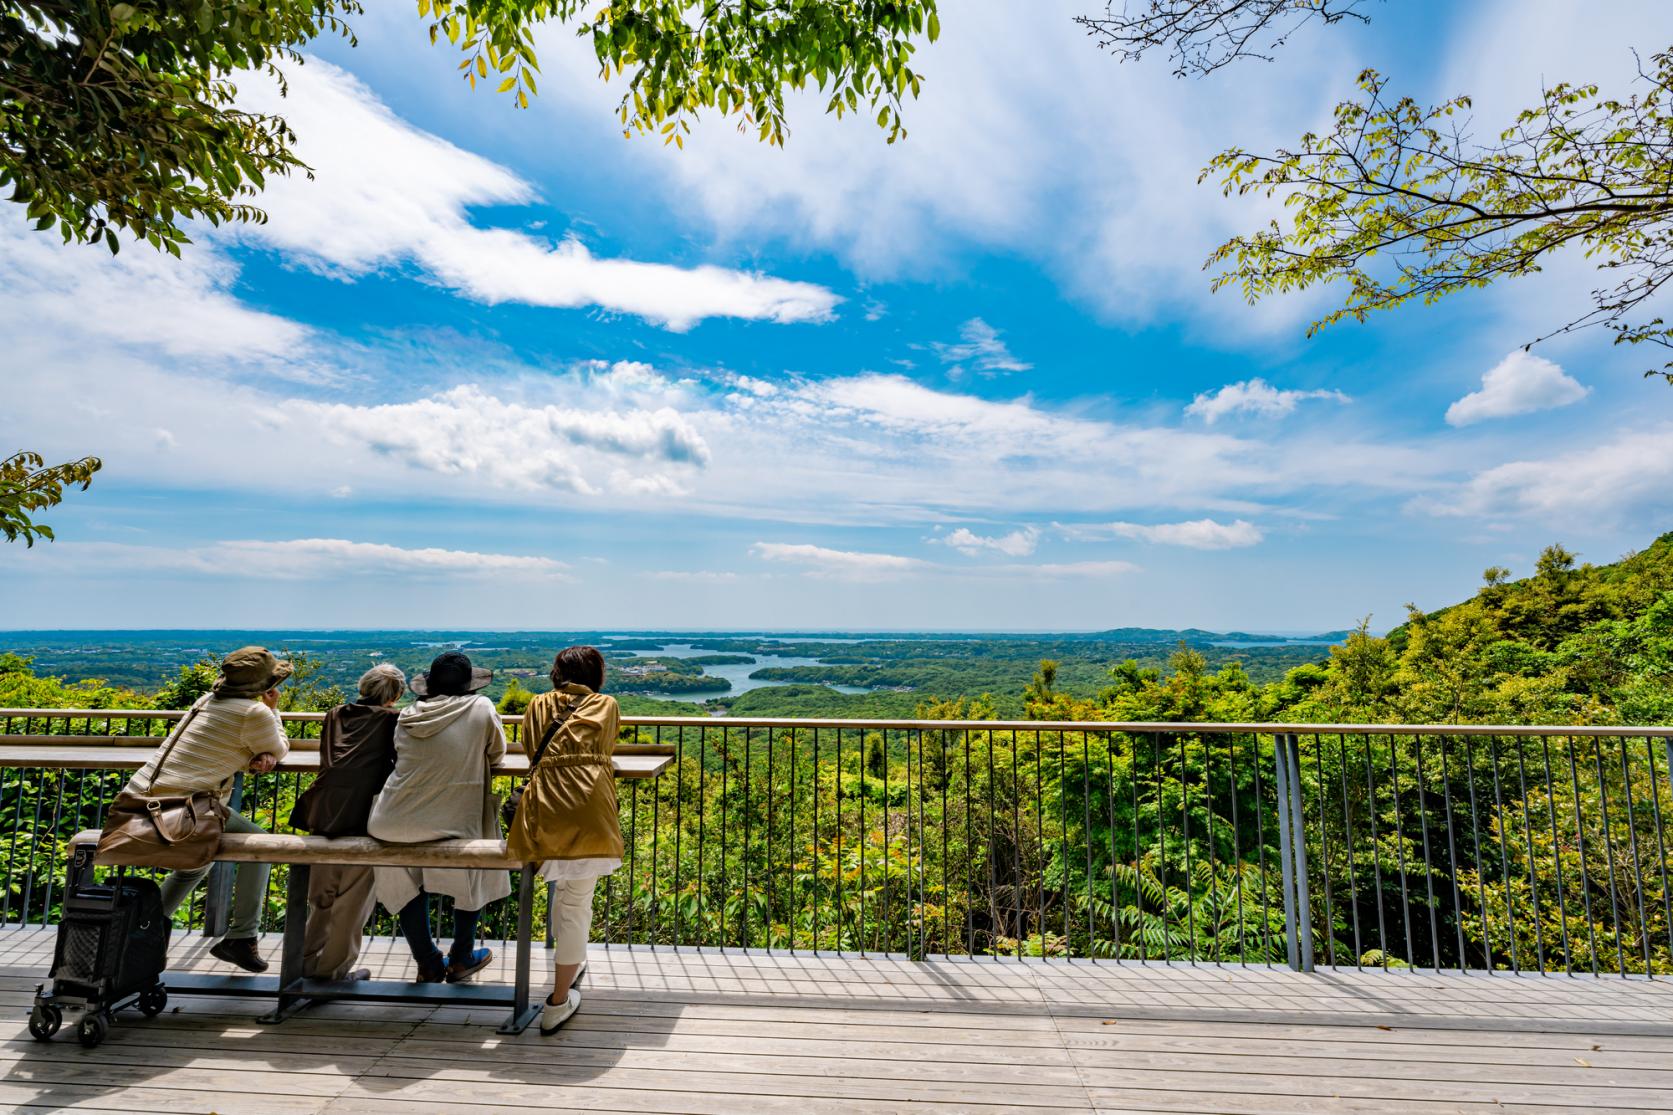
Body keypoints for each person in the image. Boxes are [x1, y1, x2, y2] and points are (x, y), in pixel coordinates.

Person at [128, 646, 293, 973]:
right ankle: (242, 937)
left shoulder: (205, 701)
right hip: (180, 807)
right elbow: (280, 749)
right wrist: (273, 712)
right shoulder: (253, 713)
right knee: (262, 846)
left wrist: (247, 757)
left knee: (194, 867)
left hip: (136, 800)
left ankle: (142, 931)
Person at [367, 651, 510, 984]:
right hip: (453, 817)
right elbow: (497, 753)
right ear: (468, 685)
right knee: (475, 856)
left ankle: (427, 960)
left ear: (429, 685)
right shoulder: (481, 708)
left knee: (402, 876)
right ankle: (460, 957)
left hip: (390, 818)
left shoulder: (408, 715)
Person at [505, 645, 623, 1036]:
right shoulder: (606, 705)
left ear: (557, 672)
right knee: (575, 902)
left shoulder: (536, 704)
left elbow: (529, 751)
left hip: (543, 808)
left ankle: (570, 963)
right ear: (597, 674)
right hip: (587, 807)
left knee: (564, 897)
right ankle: (557, 1000)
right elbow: (605, 747)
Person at [288, 662, 404, 982]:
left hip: (323, 811)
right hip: (362, 814)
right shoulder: (392, 719)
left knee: (320, 896)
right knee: (351, 899)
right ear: (394, 696)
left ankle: (305, 962)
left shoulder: (336, 714)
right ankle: (333, 971)